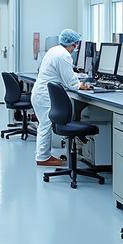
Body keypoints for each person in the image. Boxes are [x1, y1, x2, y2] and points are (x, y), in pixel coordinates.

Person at [32, 29, 85, 168]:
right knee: (45, 125)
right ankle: (43, 158)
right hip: (44, 96)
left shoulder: (54, 50)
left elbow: (64, 74)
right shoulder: (64, 55)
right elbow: (71, 83)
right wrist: (82, 85)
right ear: (73, 44)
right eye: (76, 44)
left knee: (44, 125)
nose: (76, 48)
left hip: (41, 93)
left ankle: (44, 155)